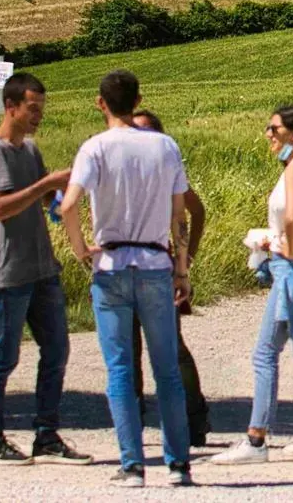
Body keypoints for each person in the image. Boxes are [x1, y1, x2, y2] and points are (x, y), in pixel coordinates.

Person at [59, 70, 195, 488]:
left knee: (119, 368)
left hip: (111, 264)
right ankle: (178, 465)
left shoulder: (94, 148)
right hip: (155, 263)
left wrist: (81, 248)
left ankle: (132, 464)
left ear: (101, 103)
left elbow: (68, 206)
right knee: (167, 369)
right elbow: (179, 216)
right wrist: (182, 268)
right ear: (138, 101)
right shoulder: (164, 146)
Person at [210, 104, 293, 466]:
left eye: (274, 128)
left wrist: (283, 245)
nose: (268, 134)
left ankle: (256, 440)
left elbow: (291, 215)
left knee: (265, 353)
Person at [0, 72, 91, 467]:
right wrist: (45, 185)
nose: (39, 115)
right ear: (11, 107)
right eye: (33, 108)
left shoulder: (30, 150)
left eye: (42, 108)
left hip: (43, 267)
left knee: (57, 349)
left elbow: (45, 203)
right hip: (11, 272)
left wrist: (65, 199)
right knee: (3, 357)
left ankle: (47, 436)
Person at [127, 107, 211, 447]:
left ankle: (194, 419)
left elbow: (195, 210)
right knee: (128, 350)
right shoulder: (123, 167)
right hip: (123, 265)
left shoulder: (166, 169)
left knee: (172, 347)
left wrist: (186, 257)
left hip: (159, 264)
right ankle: (132, 423)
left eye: (146, 131)